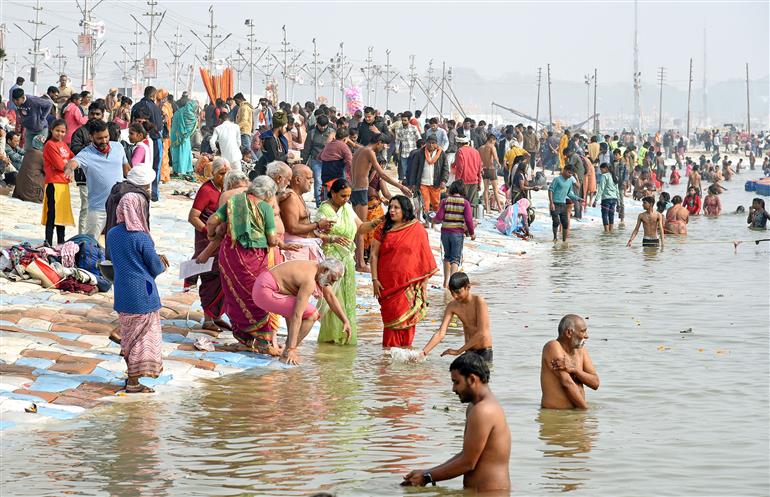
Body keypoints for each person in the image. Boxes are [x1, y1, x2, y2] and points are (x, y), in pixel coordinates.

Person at [206, 176, 299, 353]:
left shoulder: (234, 202)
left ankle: (245, 339)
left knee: (234, 294)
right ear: (269, 193)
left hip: (230, 255)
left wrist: (211, 235)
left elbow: (212, 221)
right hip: (254, 258)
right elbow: (272, 239)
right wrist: (277, 243)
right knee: (257, 294)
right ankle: (263, 340)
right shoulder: (265, 208)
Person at [401, 353, 510, 492]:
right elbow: (465, 455)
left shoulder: (483, 410)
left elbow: (468, 463)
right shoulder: (475, 406)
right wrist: (426, 472)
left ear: (471, 379)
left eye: (456, 382)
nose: (453, 389)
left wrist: (427, 477)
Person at [107, 193, 169, 393]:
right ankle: (134, 382)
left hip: (122, 292)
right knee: (143, 338)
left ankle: (131, 377)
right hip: (144, 292)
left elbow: (126, 258)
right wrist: (162, 264)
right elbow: (155, 267)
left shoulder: (112, 234)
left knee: (128, 336)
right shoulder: (141, 237)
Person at [252, 259, 351, 365]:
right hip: (263, 291)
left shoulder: (318, 270)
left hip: (263, 286)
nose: (331, 283)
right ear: (325, 270)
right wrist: (292, 349)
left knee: (299, 308)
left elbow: (330, 296)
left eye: (334, 281)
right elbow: (296, 315)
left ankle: (288, 348)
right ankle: (288, 351)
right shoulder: (309, 280)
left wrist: (345, 321)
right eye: (332, 279)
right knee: (312, 314)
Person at [370, 195, 437, 347]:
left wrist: (423, 285)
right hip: (386, 285)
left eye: (396, 207)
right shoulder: (383, 227)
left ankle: (403, 361)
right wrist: (374, 280)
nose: (392, 210)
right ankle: (388, 356)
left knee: (407, 324)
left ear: (405, 209)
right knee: (390, 324)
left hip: (409, 285)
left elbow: (424, 258)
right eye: (391, 207)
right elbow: (373, 255)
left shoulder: (416, 229)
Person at [315, 179, 366, 345]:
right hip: (330, 263)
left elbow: (361, 228)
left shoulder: (347, 208)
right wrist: (332, 238)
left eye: (349, 196)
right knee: (331, 300)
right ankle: (330, 337)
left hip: (347, 262)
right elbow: (314, 234)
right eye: (343, 196)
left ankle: (344, 336)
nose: (346, 199)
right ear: (333, 193)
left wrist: (379, 222)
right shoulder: (324, 209)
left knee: (346, 299)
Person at [350, 133, 411, 271]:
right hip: (360, 191)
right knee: (361, 228)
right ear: (379, 142)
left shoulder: (359, 150)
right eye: (384, 144)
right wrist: (401, 186)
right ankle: (360, 263)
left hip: (354, 190)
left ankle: (357, 260)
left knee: (357, 226)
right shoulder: (369, 152)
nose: (385, 147)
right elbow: (382, 174)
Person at [63, 120, 128, 240]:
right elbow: (73, 163)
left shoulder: (118, 147)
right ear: (91, 137)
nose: (104, 141)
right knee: (90, 242)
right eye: (99, 138)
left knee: (119, 242)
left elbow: (127, 169)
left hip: (119, 206)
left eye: (106, 137)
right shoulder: (86, 153)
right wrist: (70, 169)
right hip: (98, 209)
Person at [187, 158, 231, 333]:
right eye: (221, 173)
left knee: (223, 279)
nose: (224, 177)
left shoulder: (226, 190)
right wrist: (209, 231)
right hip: (207, 240)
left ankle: (217, 316)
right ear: (214, 174)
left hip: (221, 241)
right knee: (210, 279)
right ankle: (207, 318)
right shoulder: (206, 190)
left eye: (227, 173)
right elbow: (193, 217)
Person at [421, 272, 492, 361]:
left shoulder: (479, 301)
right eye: (452, 292)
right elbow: (440, 333)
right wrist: (423, 353)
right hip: (468, 351)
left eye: (458, 292)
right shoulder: (452, 306)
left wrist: (459, 351)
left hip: (484, 351)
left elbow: (482, 333)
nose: (455, 296)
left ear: (468, 287)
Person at [540, 314, 600, 409]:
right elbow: (567, 383)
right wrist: (586, 410)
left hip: (576, 414)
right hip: (556, 416)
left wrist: (575, 370)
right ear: (569, 333)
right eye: (583, 331)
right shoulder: (553, 346)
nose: (586, 336)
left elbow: (595, 383)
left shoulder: (582, 351)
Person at [279, 164, 333, 261]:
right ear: (298, 180)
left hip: (303, 246)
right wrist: (317, 225)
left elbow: (303, 224)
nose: (312, 181)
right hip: (295, 249)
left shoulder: (298, 196)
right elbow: (292, 228)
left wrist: (321, 228)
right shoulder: (291, 197)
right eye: (308, 178)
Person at [433, 180, 475, 288]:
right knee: (455, 259)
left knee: (447, 257)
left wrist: (432, 219)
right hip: (457, 234)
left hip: (445, 233)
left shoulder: (444, 201)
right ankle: (453, 284)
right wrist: (472, 233)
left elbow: (439, 217)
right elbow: (469, 220)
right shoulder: (465, 203)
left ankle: (445, 282)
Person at [41, 119, 74, 245]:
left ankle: (61, 242)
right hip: (54, 183)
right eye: (57, 131)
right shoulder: (50, 144)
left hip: (64, 184)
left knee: (62, 216)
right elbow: (60, 165)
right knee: (52, 216)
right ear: (51, 130)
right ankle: (48, 242)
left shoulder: (63, 144)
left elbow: (72, 158)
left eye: (63, 131)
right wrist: (67, 164)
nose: (60, 134)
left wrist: (68, 164)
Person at [408, 135, 450, 222]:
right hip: (423, 183)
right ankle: (427, 221)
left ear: (436, 144)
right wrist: (413, 184)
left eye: (433, 143)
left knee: (436, 204)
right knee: (425, 204)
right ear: (426, 143)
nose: (431, 145)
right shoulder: (420, 153)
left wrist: (444, 180)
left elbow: (445, 168)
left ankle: (435, 221)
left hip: (436, 183)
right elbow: (414, 169)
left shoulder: (441, 154)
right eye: (429, 143)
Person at [548, 164, 582, 242]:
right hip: (555, 204)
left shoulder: (570, 181)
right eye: (569, 173)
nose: (570, 175)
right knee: (556, 221)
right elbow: (550, 190)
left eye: (572, 174)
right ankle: (555, 237)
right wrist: (551, 203)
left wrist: (578, 199)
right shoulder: (557, 179)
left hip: (563, 204)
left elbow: (569, 193)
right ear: (565, 170)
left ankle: (564, 241)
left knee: (565, 223)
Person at [13, 134, 46, 203]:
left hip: (18, 193)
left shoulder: (27, 152)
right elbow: (48, 171)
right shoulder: (42, 156)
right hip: (32, 195)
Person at [453, 135, 483, 210]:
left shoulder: (460, 151)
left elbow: (460, 168)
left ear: (459, 143)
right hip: (474, 181)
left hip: (463, 181)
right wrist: (479, 182)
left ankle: (462, 220)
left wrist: (457, 181)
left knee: (462, 203)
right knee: (471, 204)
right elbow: (479, 168)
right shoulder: (476, 151)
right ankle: (470, 219)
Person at [170, 99, 198, 176]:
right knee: (185, 153)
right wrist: (186, 133)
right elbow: (193, 125)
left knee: (177, 152)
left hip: (176, 136)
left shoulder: (178, 112)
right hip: (186, 138)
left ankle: (177, 169)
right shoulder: (192, 116)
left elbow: (174, 125)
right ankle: (185, 169)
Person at [593, 162, 621, 232]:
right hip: (614, 199)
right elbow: (617, 191)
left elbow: (601, 189)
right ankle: (611, 231)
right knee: (611, 215)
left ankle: (606, 232)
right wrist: (619, 203)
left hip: (606, 199)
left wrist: (596, 200)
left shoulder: (604, 176)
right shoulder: (615, 177)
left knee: (605, 215)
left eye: (601, 169)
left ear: (606, 169)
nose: (601, 171)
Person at [479, 134, 503, 212]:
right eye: (495, 141)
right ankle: (500, 208)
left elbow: (479, 160)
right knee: (495, 189)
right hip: (491, 169)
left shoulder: (480, 148)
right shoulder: (492, 147)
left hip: (484, 170)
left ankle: (487, 208)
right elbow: (495, 157)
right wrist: (499, 164)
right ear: (492, 140)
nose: (495, 143)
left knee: (485, 189)